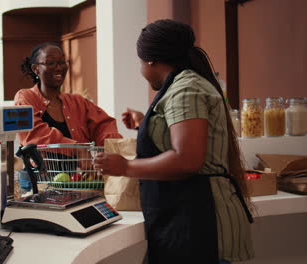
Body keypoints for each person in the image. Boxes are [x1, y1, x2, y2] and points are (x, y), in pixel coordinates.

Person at [93, 20, 254, 264]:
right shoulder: (185, 85)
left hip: (201, 224)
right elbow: (186, 135)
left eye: (139, 62)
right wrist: (143, 124)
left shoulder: (185, 89)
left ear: (150, 60)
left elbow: (187, 159)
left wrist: (125, 167)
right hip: (188, 219)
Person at [15, 42, 122, 147]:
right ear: (35, 69)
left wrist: (107, 148)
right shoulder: (25, 98)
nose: (59, 68)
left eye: (62, 62)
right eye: (51, 62)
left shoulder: (78, 102)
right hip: (41, 165)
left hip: (82, 165)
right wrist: (75, 148)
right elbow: (34, 134)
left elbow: (105, 125)